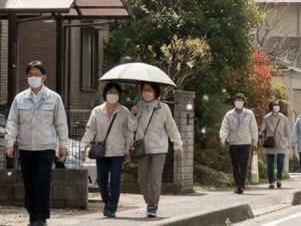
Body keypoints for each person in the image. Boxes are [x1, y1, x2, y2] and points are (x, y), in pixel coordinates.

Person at [6, 61, 69, 226]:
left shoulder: (54, 98)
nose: (33, 77)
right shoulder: (20, 99)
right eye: (30, 75)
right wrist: (9, 142)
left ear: (44, 77)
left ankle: (42, 217)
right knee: (29, 182)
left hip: (46, 147)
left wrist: (63, 145)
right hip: (26, 147)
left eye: (36, 74)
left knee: (42, 180)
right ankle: (32, 217)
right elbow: (12, 122)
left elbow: (61, 123)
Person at [80, 82, 132, 218]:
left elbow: (128, 132)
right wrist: (83, 145)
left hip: (118, 152)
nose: (112, 95)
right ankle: (107, 202)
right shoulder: (97, 111)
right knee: (102, 180)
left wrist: (127, 150)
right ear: (104, 94)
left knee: (115, 181)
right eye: (110, 92)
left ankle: (112, 208)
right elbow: (90, 129)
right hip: (101, 152)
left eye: (115, 92)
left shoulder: (124, 112)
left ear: (119, 95)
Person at [132, 82, 184, 216]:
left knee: (155, 178)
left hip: (159, 148)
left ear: (155, 92)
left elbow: (171, 127)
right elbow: (131, 127)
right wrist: (132, 115)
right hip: (142, 148)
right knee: (142, 179)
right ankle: (149, 200)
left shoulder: (163, 108)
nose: (146, 93)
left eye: (149, 90)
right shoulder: (139, 107)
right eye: (144, 90)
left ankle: (152, 206)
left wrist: (177, 143)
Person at [220, 93, 259, 195]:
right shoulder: (229, 114)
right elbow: (225, 127)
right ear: (234, 102)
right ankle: (237, 185)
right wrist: (223, 139)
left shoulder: (249, 114)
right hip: (233, 143)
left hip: (246, 143)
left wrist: (255, 142)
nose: (239, 102)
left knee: (244, 164)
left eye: (241, 101)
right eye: (237, 100)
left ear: (244, 102)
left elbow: (253, 128)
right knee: (235, 165)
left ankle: (241, 185)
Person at [261, 100, 291, 189]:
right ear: (271, 107)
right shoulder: (266, 118)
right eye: (275, 105)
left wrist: (289, 145)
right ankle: (271, 182)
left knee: (280, 162)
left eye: (278, 105)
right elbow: (262, 130)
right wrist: (262, 137)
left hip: (281, 143)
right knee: (270, 164)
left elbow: (288, 132)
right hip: (270, 143)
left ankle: (279, 179)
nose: (276, 106)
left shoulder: (284, 118)